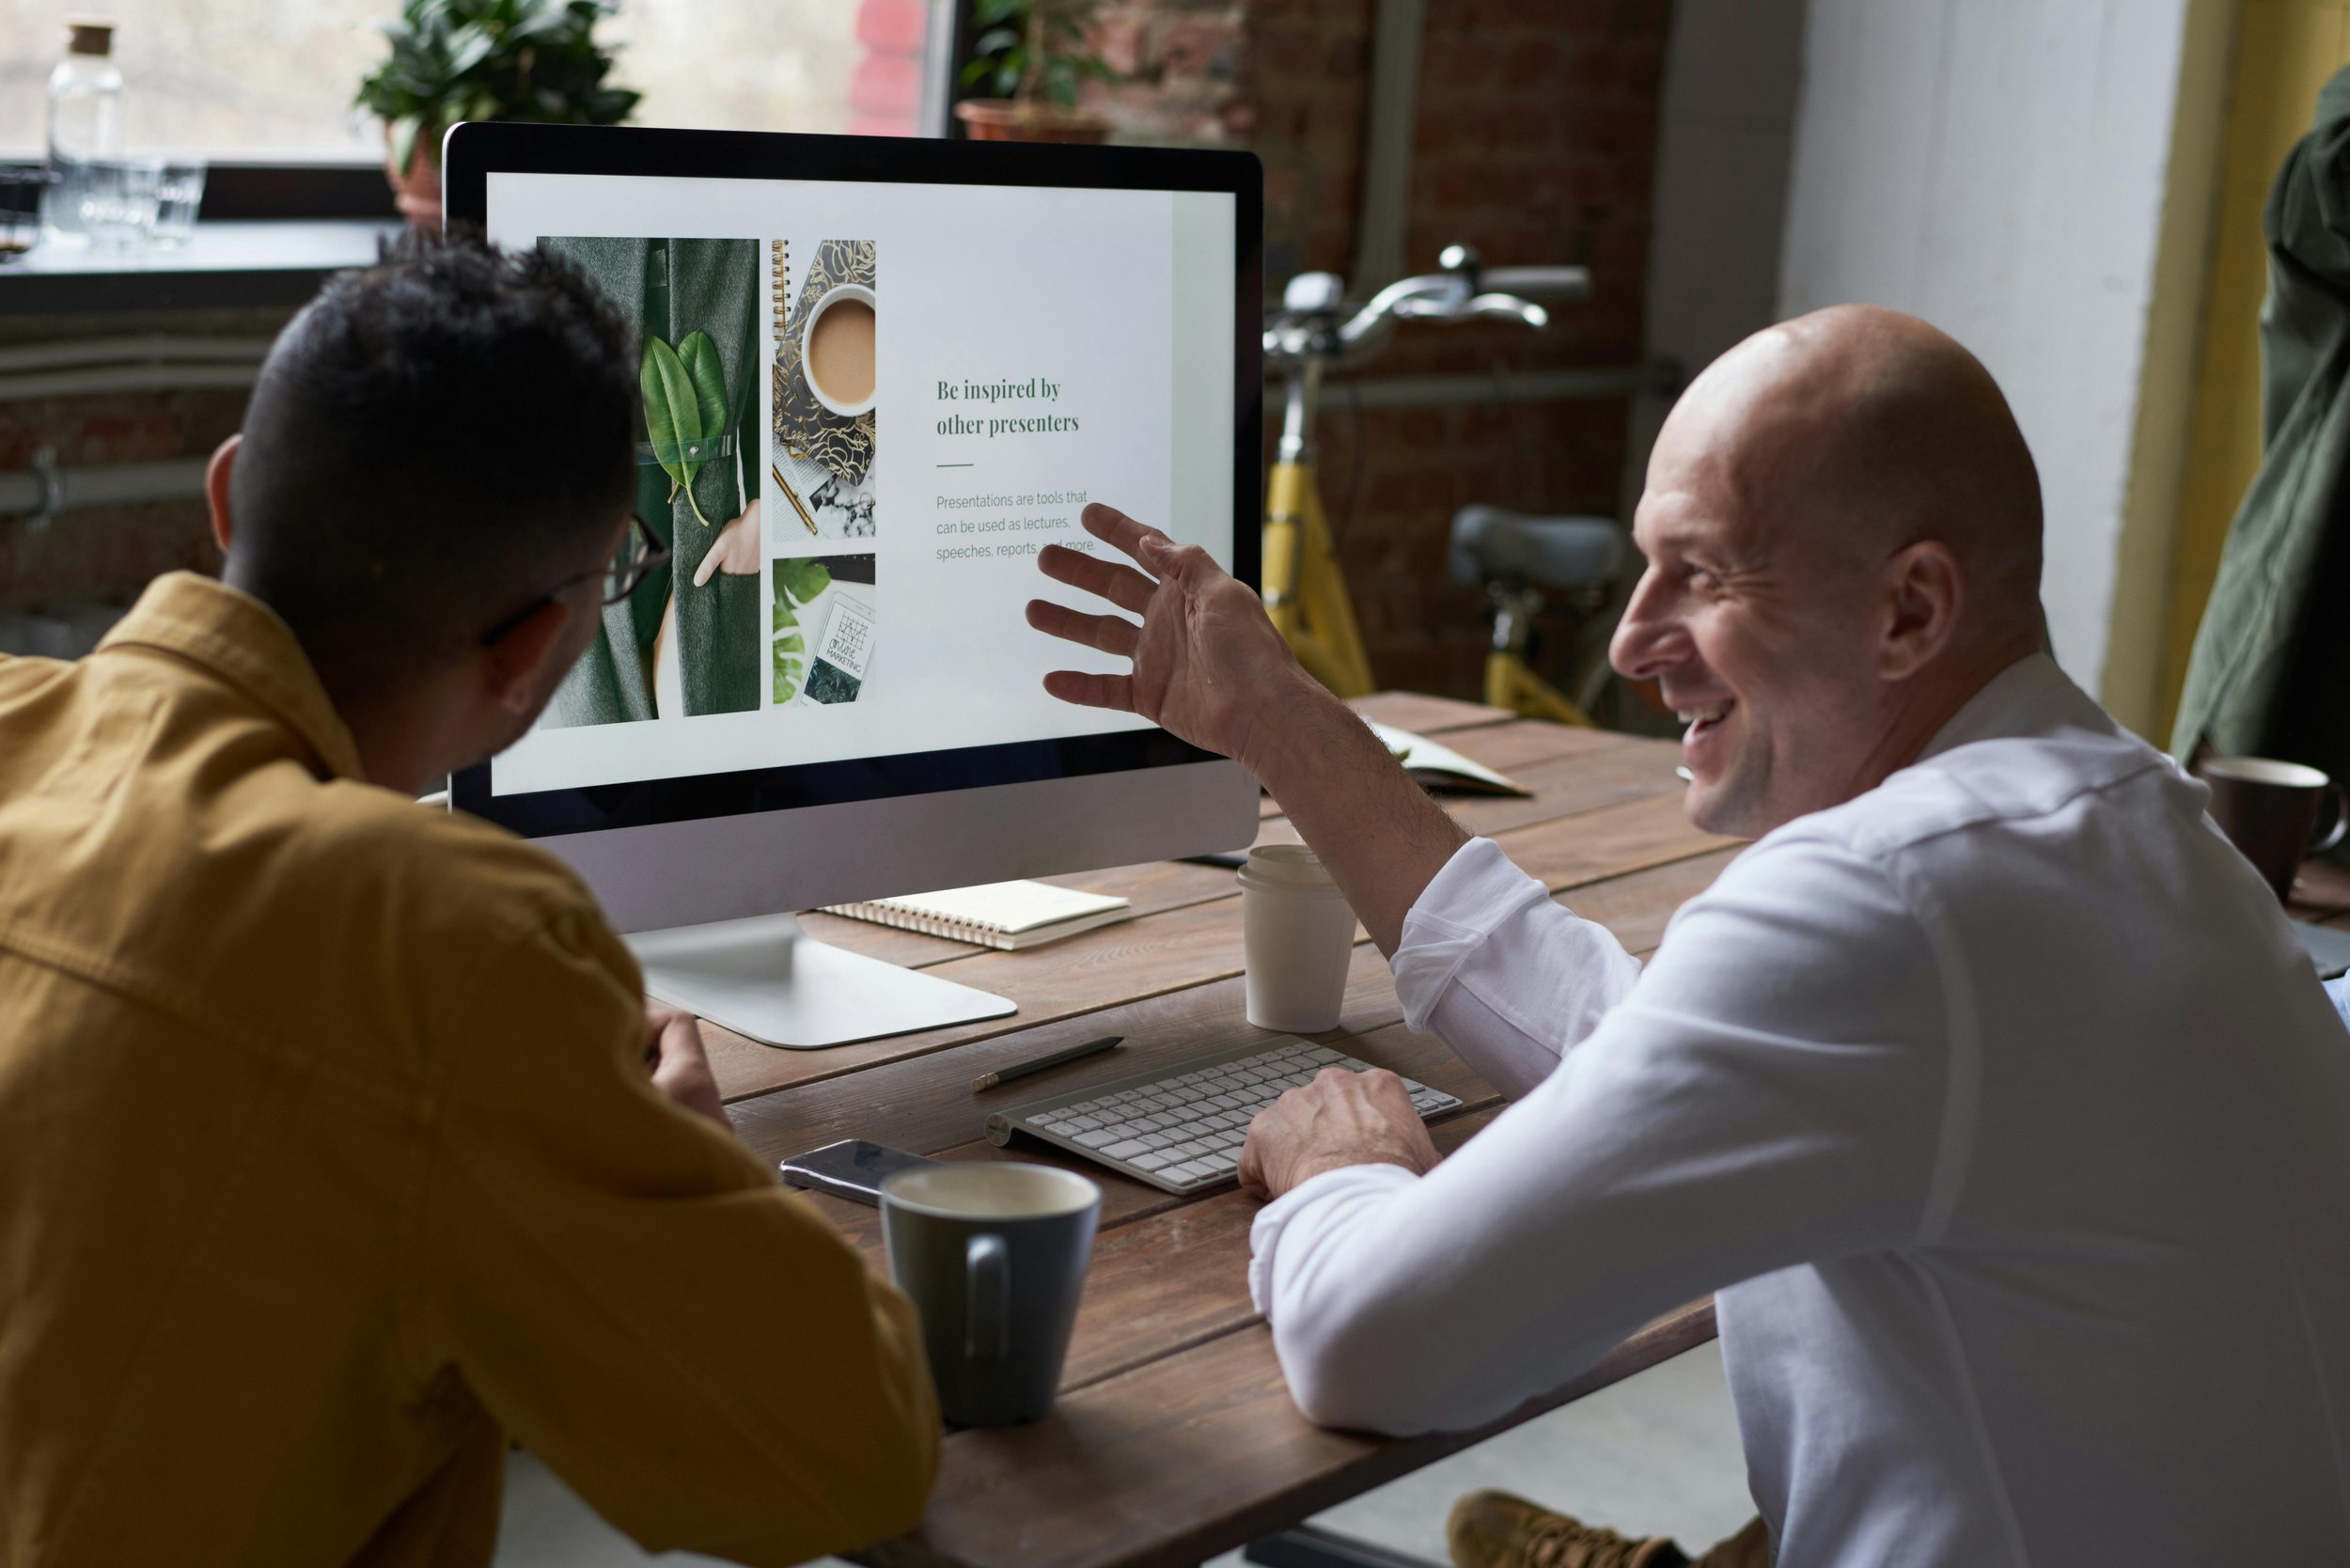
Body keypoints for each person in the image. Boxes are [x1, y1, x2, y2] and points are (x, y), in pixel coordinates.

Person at [1026, 306, 2350, 1565]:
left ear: (1911, 610)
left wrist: (1343, 1174)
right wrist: (1280, 722)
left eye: (1702, 575)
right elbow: (1657, 1052)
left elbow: (1378, 1348)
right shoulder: (2134, 822)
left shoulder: (1888, 900)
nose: (1631, 639)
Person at [0, 231, 936, 1566]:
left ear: (224, 495)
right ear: (538, 648)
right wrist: (702, 1162)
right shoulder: (448, 948)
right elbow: (849, 1462)